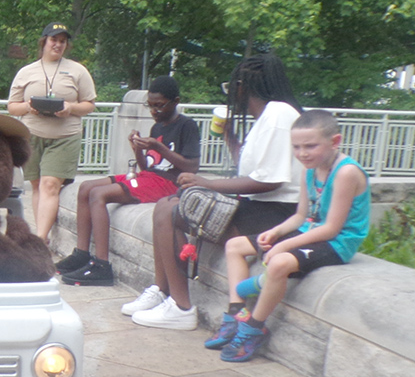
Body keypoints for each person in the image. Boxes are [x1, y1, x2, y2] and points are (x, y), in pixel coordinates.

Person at [124, 53, 304, 330]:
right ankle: (163, 292)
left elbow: (270, 182)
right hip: (259, 207)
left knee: (171, 210)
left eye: (230, 88)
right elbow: (251, 173)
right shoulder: (267, 116)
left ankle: (181, 308)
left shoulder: (278, 114)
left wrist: (206, 184)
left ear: (242, 86)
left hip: (275, 217)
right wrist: (231, 139)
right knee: (169, 204)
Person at [207, 110, 370, 361]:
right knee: (235, 246)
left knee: (279, 262)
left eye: (310, 146)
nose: (302, 153)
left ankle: (253, 328)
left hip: (338, 242)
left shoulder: (346, 173)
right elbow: (300, 216)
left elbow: (331, 229)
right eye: (296, 147)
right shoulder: (309, 169)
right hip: (310, 231)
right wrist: (275, 232)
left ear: (334, 142)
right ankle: (236, 315)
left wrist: (283, 247)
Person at [55, 76, 201, 286]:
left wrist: (159, 148)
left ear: (175, 101)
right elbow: (147, 169)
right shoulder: (157, 128)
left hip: (170, 184)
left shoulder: (187, 126)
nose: (154, 111)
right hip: (151, 178)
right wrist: (137, 148)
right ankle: (82, 253)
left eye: (159, 106)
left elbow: (191, 167)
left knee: (99, 194)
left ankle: (102, 265)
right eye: (150, 106)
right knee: (86, 188)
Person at [8, 22, 97, 243]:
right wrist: (29, 106)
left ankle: (40, 238)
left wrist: (70, 108)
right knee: (37, 185)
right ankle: (42, 234)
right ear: (44, 42)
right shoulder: (26, 71)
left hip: (64, 137)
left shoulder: (78, 70)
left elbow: (89, 105)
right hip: (32, 135)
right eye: (54, 40)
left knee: (50, 184)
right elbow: (12, 107)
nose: (58, 45)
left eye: (62, 41)